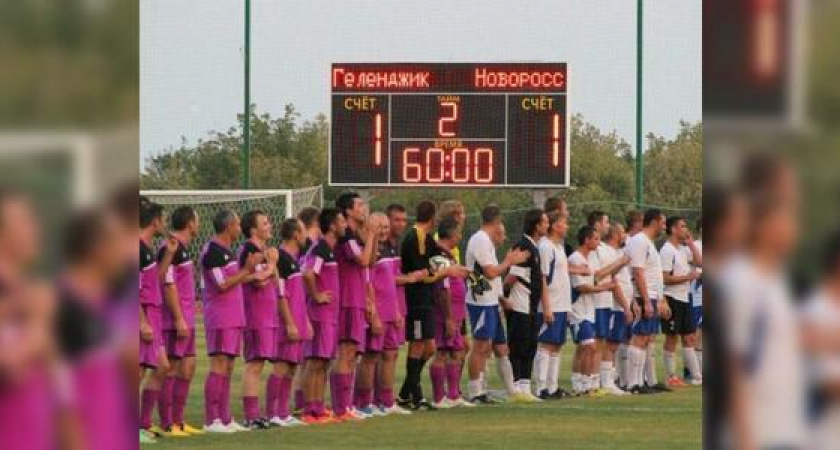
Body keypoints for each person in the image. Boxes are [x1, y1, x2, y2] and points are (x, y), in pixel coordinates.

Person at [398, 201, 467, 410]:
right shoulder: (415, 237)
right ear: (433, 218)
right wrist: (446, 272)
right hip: (417, 299)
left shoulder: (426, 239)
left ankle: (406, 391)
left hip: (425, 300)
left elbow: (433, 261)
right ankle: (413, 395)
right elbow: (422, 274)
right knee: (420, 346)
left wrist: (449, 265)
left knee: (428, 347)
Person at [200, 209, 262, 433]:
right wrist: (247, 269)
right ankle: (211, 419)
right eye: (237, 224)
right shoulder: (212, 252)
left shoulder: (227, 251)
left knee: (228, 366)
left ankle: (225, 418)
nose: (239, 228)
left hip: (234, 316)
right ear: (228, 227)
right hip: (219, 316)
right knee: (218, 365)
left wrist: (251, 272)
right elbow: (222, 284)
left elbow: (235, 280)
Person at [464, 205, 529, 404]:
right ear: (496, 221)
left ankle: (512, 391)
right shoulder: (480, 239)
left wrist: (501, 299)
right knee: (481, 346)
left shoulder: (487, 242)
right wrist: (509, 261)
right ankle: (476, 391)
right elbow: (491, 272)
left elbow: (492, 276)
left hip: (491, 301)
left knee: (501, 348)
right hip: (480, 301)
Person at [158, 206, 203, 436]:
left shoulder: (182, 248)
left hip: (188, 317)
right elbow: (167, 284)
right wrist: (177, 318)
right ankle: (167, 423)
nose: (199, 223)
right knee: (172, 369)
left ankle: (178, 420)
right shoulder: (170, 248)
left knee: (188, 367)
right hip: (175, 319)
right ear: (189, 223)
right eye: (197, 219)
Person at [333, 192, 378, 420]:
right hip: (347, 299)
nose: (365, 209)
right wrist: (370, 234)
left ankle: (347, 405)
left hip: (358, 299)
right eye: (360, 205)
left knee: (352, 354)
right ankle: (341, 407)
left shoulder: (356, 236)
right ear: (348, 211)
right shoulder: (346, 236)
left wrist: (372, 236)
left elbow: (370, 262)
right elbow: (361, 260)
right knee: (346, 352)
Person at [300, 208, 345, 424]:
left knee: (324, 362)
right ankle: (310, 409)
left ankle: (318, 407)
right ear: (333, 226)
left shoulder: (329, 249)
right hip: (320, 315)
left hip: (329, 315)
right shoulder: (321, 249)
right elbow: (308, 273)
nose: (345, 224)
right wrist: (316, 296)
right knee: (316, 362)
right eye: (341, 220)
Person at [238, 210, 281, 429]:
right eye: (265, 223)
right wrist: (272, 264)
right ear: (253, 230)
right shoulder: (249, 250)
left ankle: (255, 415)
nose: (270, 225)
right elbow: (260, 281)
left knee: (259, 363)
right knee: (254, 364)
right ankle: (251, 416)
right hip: (255, 313)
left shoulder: (261, 250)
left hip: (266, 313)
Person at [267, 218, 311, 427]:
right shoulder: (282, 259)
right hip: (286, 322)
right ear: (295, 234)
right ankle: (272, 413)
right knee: (281, 367)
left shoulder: (293, 259)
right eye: (303, 232)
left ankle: (283, 413)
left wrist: (306, 322)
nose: (306, 236)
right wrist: (290, 323)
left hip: (298, 321)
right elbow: (280, 294)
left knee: (292, 367)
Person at [429, 216, 475, 408]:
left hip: (456, 313)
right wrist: (447, 317)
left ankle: (454, 395)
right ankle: (439, 398)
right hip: (444, 313)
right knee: (441, 352)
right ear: (451, 233)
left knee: (457, 350)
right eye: (458, 232)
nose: (460, 236)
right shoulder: (438, 255)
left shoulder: (448, 255)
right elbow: (443, 287)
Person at [504, 208, 549, 401]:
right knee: (519, 346)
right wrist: (503, 298)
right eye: (545, 222)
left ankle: (525, 386)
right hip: (519, 305)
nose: (548, 225)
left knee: (530, 345)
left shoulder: (534, 247)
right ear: (537, 225)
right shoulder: (523, 246)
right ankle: (516, 387)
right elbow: (511, 277)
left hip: (529, 306)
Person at [624, 209, 669, 394]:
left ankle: (641, 382)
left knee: (646, 338)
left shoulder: (648, 243)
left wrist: (660, 298)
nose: (664, 226)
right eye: (663, 222)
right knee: (639, 337)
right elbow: (638, 272)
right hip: (643, 296)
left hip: (651, 295)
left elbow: (654, 275)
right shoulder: (639, 241)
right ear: (655, 222)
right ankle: (633, 383)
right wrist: (645, 300)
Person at [139, 201, 174, 438]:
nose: (164, 223)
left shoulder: (148, 248)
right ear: (155, 221)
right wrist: (141, 322)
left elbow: (154, 280)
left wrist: (169, 254)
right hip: (140, 313)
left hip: (153, 313)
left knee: (162, 366)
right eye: (163, 219)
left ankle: (143, 423)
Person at [380, 204, 418, 414]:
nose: (400, 224)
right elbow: (384, 279)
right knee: (384, 355)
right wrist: (410, 278)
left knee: (391, 354)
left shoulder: (396, 246)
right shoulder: (380, 247)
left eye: (404, 220)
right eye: (396, 220)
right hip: (385, 308)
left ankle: (383, 400)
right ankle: (383, 401)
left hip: (397, 305)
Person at [568, 226, 616, 395]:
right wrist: (605, 287)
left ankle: (579, 384)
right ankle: (587, 385)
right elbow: (581, 287)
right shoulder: (575, 258)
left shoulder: (589, 258)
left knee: (584, 348)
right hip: (578, 310)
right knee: (591, 347)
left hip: (589, 309)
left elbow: (592, 281)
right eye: (595, 238)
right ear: (586, 240)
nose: (598, 242)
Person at [532, 212, 574, 399]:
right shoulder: (545, 246)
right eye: (564, 223)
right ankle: (540, 387)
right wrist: (546, 306)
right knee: (546, 345)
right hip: (550, 305)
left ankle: (552, 386)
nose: (567, 227)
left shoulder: (559, 247)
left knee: (556, 345)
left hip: (562, 304)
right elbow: (542, 278)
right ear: (555, 226)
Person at [587, 211, 628, 393]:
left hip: (606, 302)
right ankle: (594, 382)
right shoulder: (595, 249)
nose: (608, 225)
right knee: (595, 343)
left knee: (602, 342)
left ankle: (604, 382)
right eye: (605, 222)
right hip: (595, 302)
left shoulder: (605, 249)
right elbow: (597, 276)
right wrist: (619, 263)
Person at [353, 213, 390, 417]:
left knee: (372, 356)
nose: (381, 232)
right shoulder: (359, 251)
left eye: (384, 228)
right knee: (364, 357)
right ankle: (361, 403)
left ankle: (369, 401)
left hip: (375, 310)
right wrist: (373, 310)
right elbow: (367, 284)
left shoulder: (376, 252)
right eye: (376, 228)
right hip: (366, 310)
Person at [660, 216, 702, 387]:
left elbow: (699, 262)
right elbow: (665, 278)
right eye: (683, 226)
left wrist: (691, 243)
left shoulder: (683, 249)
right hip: (672, 298)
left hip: (685, 298)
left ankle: (697, 375)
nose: (686, 229)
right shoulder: (667, 250)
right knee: (672, 338)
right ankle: (671, 376)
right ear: (673, 229)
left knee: (689, 337)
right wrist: (688, 277)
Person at [291, 207, 320, 412]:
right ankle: (302, 403)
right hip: (305, 304)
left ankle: (301, 403)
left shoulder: (304, 246)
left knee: (303, 359)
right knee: (306, 359)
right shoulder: (310, 246)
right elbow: (306, 275)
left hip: (301, 303)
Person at [600, 222, 633, 394]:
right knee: (611, 344)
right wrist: (625, 306)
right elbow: (614, 282)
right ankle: (606, 382)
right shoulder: (608, 252)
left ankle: (610, 380)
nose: (625, 235)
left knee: (615, 343)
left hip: (622, 305)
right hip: (614, 305)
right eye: (622, 232)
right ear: (615, 234)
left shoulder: (618, 253)